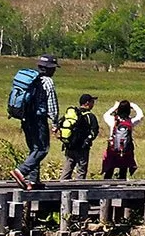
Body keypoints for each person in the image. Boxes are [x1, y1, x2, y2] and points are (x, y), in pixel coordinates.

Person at [12, 55, 60, 190]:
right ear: (50, 69)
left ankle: (33, 181)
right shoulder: (48, 82)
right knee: (42, 149)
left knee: (34, 148)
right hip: (38, 119)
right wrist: (55, 122)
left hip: (26, 118)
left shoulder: (32, 80)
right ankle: (21, 171)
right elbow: (52, 104)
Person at [58, 93, 101, 180]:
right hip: (82, 148)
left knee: (67, 169)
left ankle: (61, 187)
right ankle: (79, 189)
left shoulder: (73, 115)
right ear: (87, 103)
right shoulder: (90, 116)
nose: (93, 104)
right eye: (92, 102)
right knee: (81, 170)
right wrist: (88, 140)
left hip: (69, 146)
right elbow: (94, 131)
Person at [101, 99, 144, 179]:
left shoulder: (113, 120)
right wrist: (134, 105)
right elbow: (141, 116)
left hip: (113, 149)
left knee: (109, 171)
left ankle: (106, 186)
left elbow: (105, 115)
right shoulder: (130, 122)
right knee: (123, 171)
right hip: (126, 151)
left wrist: (114, 107)